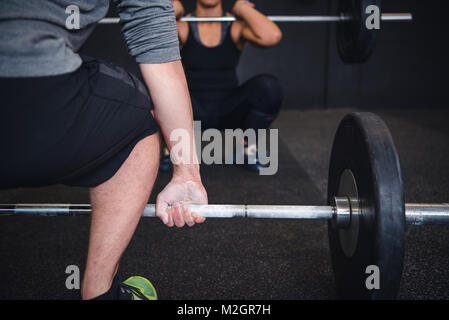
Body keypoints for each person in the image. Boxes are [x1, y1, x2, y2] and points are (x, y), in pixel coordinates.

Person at [0, 0, 207, 300]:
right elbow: (157, 50)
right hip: (36, 92)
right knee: (136, 121)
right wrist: (187, 172)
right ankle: (100, 292)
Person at [160, 0, 283, 172]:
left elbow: (272, 36)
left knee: (269, 86)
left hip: (229, 110)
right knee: (156, 88)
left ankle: (247, 149)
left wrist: (242, 8)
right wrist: (172, 9)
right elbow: (148, 33)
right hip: (189, 112)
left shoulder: (235, 26)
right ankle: (173, 148)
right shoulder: (183, 26)